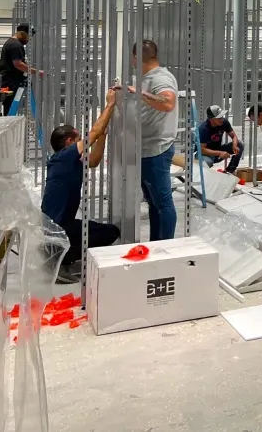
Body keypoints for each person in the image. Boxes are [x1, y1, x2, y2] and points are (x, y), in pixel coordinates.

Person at [41, 88, 121, 283]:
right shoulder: (63, 157)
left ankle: (58, 252)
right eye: (78, 138)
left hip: (61, 223)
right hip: (55, 227)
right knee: (107, 234)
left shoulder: (69, 161)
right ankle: (57, 259)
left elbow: (93, 161)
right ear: (69, 141)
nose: (81, 141)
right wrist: (110, 103)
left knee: (109, 231)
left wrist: (102, 136)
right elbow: (92, 134)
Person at [130, 40, 179, 241]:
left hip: (156, 149)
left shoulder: (161, 78)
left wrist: (137, 92)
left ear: (137, 57)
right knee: (154, 202)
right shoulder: (148, 77)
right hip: (147, 148)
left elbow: (167, 103)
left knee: (163, 202)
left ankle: (165, 248)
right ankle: (156, 244)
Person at [0, 23, 42, 115]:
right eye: (29, 36)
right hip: (12, 83)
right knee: (10, 109)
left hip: (7, 81)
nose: (29, 39)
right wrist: (37, 72)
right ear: (22, 33)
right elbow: (18, 64)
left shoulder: (9, 42)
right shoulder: (16, 45)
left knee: (8, 108)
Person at [196, 105, 242, 173]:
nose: (221, 120)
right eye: (219, 118)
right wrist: (219, 153)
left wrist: (234, 146)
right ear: (211, 119)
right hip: (205, 154)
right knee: (207, 162)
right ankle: (204, 178)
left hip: (218, 151)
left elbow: (234, 136)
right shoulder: (203, 129)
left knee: (240, 144)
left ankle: (230, 170)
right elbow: (202, 150)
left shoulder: (224, 122)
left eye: (222, 117)